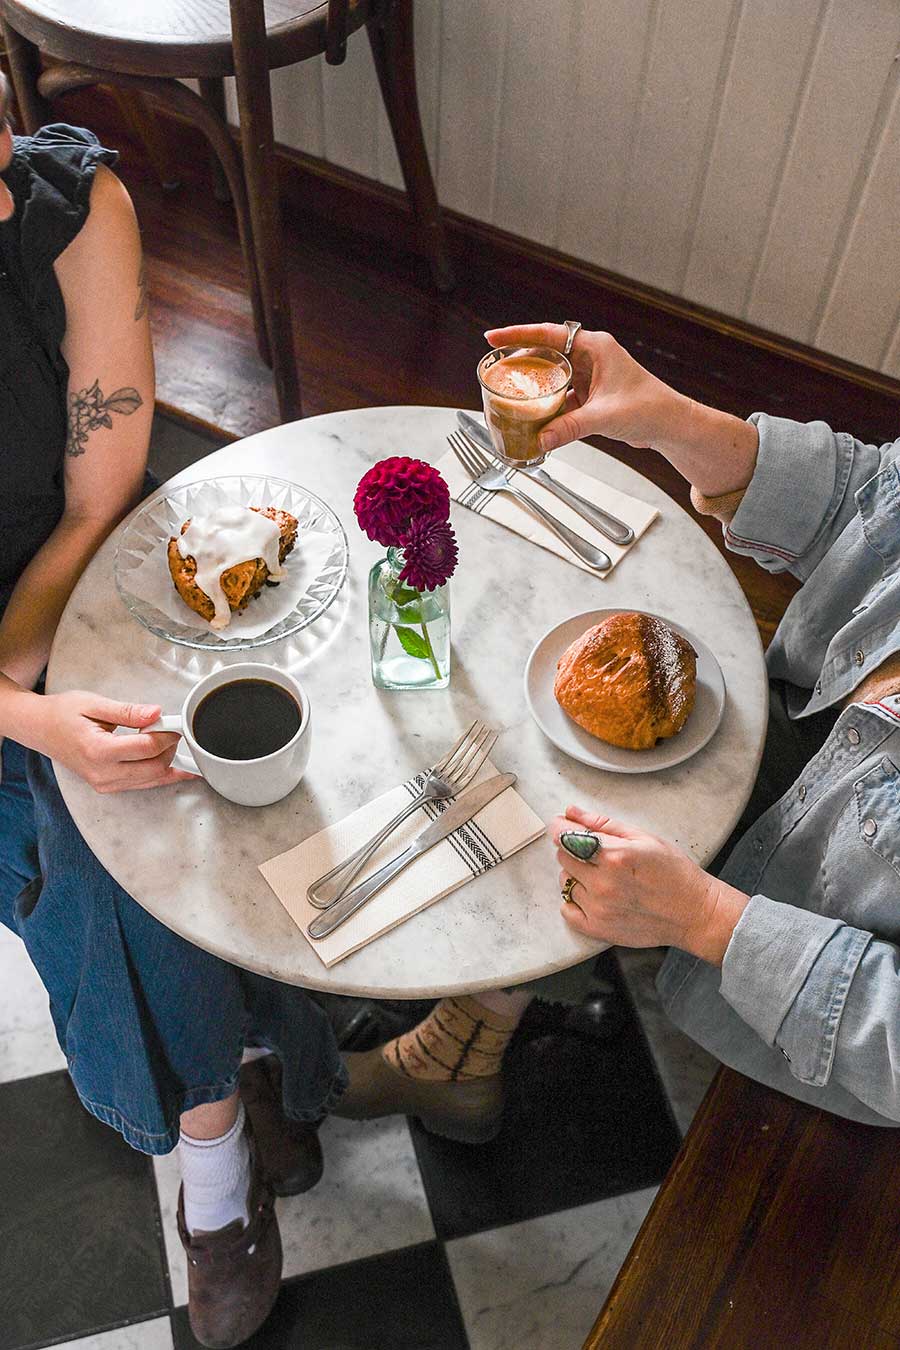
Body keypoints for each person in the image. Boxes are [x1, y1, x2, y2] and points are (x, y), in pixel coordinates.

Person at [335, 320, 900, 1134]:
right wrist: (667, 417)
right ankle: (479, 1019)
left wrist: (703, 917)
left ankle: (457, 1049)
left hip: (816, 958)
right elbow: (870, 502)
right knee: (536, 759)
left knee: (550, 814)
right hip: (805, 747)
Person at [0, 76, 345, 1349]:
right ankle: (219, 1170)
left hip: (74, 583)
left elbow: (98, 498)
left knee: (224, 755)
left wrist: (42, 672)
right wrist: (32, 723)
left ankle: (274, 1068)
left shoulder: (77, 205)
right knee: (97, 840)